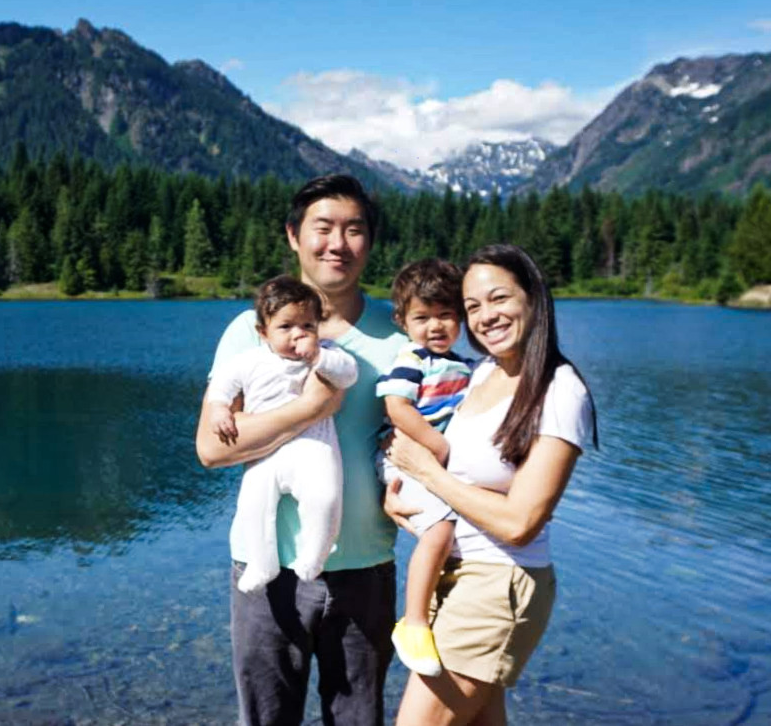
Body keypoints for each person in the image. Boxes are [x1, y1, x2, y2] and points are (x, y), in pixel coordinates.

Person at [196, 174, 405, 726]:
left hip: (367, 568)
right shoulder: (253, 329)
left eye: (354, 229)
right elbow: (211, 451)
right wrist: (308, 411)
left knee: (359, 718)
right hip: (268, 572)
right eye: (323, 228)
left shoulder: (400, 329)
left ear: (370, 241)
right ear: (293, 236)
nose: (338, 244)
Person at [384, 243, 598, 726]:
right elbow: (444, 458)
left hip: (499, 580)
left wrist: (428, 474)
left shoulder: (559, 390)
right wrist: (400, 494)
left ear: (533, 298)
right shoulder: (480, 373)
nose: (485, 317)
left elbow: (520, 522)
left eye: (499, 299)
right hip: (455, 575)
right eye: (473, 306)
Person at [206, 275, 359, 593]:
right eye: (286, 327)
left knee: (325, 496)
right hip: (265, 452)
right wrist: (221, 410)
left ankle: (314, 556)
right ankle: (262, 564)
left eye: (307, 326)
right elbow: (221, 388)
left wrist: (320, 357)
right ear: (263, 332)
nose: (298, 335)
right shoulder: (249, 361)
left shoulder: (325, 355)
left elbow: (348, 375)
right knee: (253, 505)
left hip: (313, 444)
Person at [374, 259, 473, 677]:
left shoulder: (463, 364)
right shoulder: (412, 358)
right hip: (401, 457)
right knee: (438, 530)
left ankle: (441, 602)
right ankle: (413, 623)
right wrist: (437, 445)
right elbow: (396, 407)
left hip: (428, 461)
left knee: (450, 532)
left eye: (446, 315)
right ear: (402, 321)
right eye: (422, 317)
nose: (435, 326)